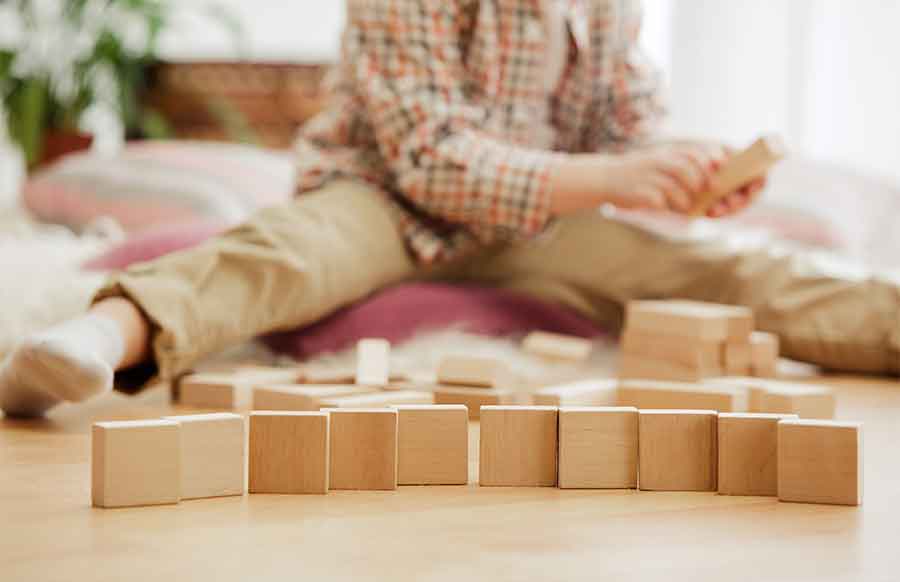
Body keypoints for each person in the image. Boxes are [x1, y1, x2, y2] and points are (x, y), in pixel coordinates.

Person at [1, 0, 896, 418]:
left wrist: (682, 175)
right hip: (385, 202)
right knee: (284, 253)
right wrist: (610, 180)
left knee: (722, 269)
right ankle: (95, 343)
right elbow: (429, 156)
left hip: (539, 225)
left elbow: (629, 127)